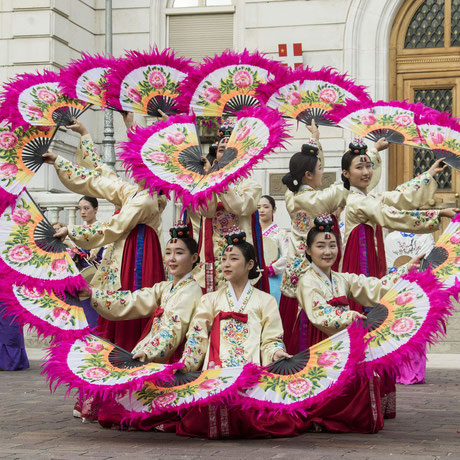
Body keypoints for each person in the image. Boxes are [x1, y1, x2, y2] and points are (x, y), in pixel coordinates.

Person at [339, 138, 458, 419]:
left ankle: (373, 399)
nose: (366, 172)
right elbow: (390, 213)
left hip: (372, 267)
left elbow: (397, 196)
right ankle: (358, 400)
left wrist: (428, 174)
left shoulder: (367, 198)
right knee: (365, 327)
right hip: (360, 270)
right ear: (346, 174)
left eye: (368, 166)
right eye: (359, 167)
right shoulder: (355, 201)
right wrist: (437, 213)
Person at [43, 144, 167, 352]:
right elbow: (102, 179)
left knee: (132, 293)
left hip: (138, 255)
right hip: (130, 250)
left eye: (141, 165)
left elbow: (114, 226)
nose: (135, 169)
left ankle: (131, 347)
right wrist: (61, 159)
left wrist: (72, 231)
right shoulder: (134, 192)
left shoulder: (146, 199)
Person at [279, 128, 386, 354]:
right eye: (320, 169)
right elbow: (351, 185)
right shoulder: (311, 199)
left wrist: (314, 140)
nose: (322, 172)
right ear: (308, 175)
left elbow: (324, 175)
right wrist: (373, 153)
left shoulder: (293, 194)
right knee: (312, 324)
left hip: (298, 267)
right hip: (311, 269)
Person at [176, 228, 290, 437]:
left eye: (233, 259)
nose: (226, 264)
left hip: (250, 372)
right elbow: (197, 336)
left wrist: (276, 353)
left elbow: (271, 338)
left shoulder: (266, 301)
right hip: (216, 373)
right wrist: (187, 361)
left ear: (250, 264)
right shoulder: (209, 299)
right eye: (224, 259)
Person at [189, 121, 267, 293]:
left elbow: (240, 206)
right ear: (216, 154)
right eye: (222, 150)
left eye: (231, 149)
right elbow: (207, 211)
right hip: (214, 256)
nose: (225, 154)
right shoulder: (206, 182)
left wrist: (218, 180)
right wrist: (209, 179)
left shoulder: (251, 185)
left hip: (241, 256)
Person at [73, 195, 104, 328]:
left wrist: (95, 252)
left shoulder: (102, 228)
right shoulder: (79, 229)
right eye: (80, 209)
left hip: (96, 277)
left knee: (93, 315)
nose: (82, 212)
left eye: (86, 208)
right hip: (81, 277)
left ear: (96, 209)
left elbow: (103, 247)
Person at [257, 195, 289, 304]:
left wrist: (271, 269)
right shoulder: (253, 233)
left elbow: (287, 257)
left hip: (273, 279)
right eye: (258, 207)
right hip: (254, 277)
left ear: (274, 210)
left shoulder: (280, 232)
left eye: (266, 207)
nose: (261, 210)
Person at [0, 306, 29, 371]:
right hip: (3, 304)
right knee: (4, 330)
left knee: (13, 329)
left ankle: (12, 362)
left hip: (14, 305)